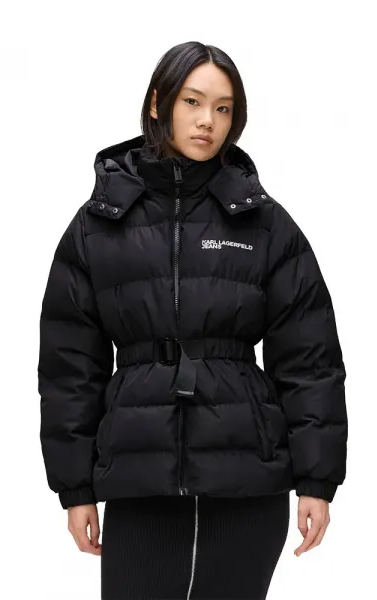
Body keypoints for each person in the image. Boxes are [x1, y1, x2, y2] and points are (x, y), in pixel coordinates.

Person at [38, 41, 348, 600]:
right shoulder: (97, 225)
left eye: (224, 108)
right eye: (193, 101)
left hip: (248, 480)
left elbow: (310, 359)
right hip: (140, 481)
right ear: (158, 103)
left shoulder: (264, 223)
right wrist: (75, 487)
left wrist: (316, 480)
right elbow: (69, 368)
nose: (208, 120)